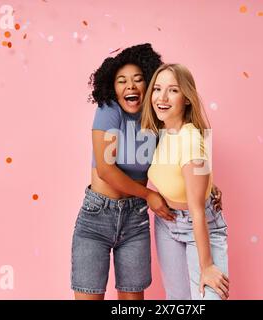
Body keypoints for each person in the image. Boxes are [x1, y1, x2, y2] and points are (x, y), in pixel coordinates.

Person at [71, 44, 223, 300]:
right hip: (97, 215)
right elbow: (106, 170)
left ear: (148, 85)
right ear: (112, 87)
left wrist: (207, 185)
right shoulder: (109, 110)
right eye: (122, 81)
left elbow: (182, 149)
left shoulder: (156, 116)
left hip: (135, 218)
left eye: (138, 80)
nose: (130, 86)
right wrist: (149, 195)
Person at [141, 63, 229, 300]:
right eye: (157, 89)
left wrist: (207, 266)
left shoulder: (190, 141)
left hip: (198, 224)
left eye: (173, 90)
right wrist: (209, 185)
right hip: (168, 223)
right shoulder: (163, 131)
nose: (162, 97)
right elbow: (185, 172)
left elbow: (197, 210)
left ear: (187, 98)